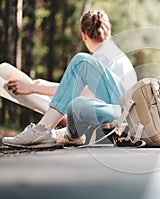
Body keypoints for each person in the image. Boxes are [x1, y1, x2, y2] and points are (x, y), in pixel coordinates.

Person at [2, 9, 137, 148]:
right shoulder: (115, 56)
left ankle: (42, 129)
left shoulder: (102, 56)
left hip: (126, 115)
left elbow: (79, 92)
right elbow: (78, 95)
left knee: (80, 61)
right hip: (119, 115)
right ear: (108, 31)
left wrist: (34, 87)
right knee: (75, 107)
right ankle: (69, 135)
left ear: (84, 35)